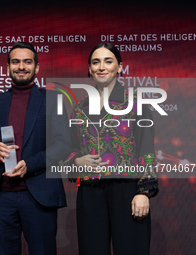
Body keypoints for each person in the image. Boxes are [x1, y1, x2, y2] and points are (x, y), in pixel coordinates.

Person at [64, 43, 158, 255]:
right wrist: (76, 161)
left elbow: (146, 149)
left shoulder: (136, 104)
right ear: (89, 69)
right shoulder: (80, 109)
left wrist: (143, 192)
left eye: (108, 61)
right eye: (95, 62)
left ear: (120, 67)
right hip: (90, 192)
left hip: (127, 190)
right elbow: (70, 149)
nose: (101, 67)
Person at [0, 42, 71, 255]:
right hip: (1, 196)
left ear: (36, 68)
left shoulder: (53, 99)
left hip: (39, 194)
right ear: (8, 67)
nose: (21, 66)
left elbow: (63, 144)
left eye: (27, 62)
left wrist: (30, 164)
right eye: (16, 62)